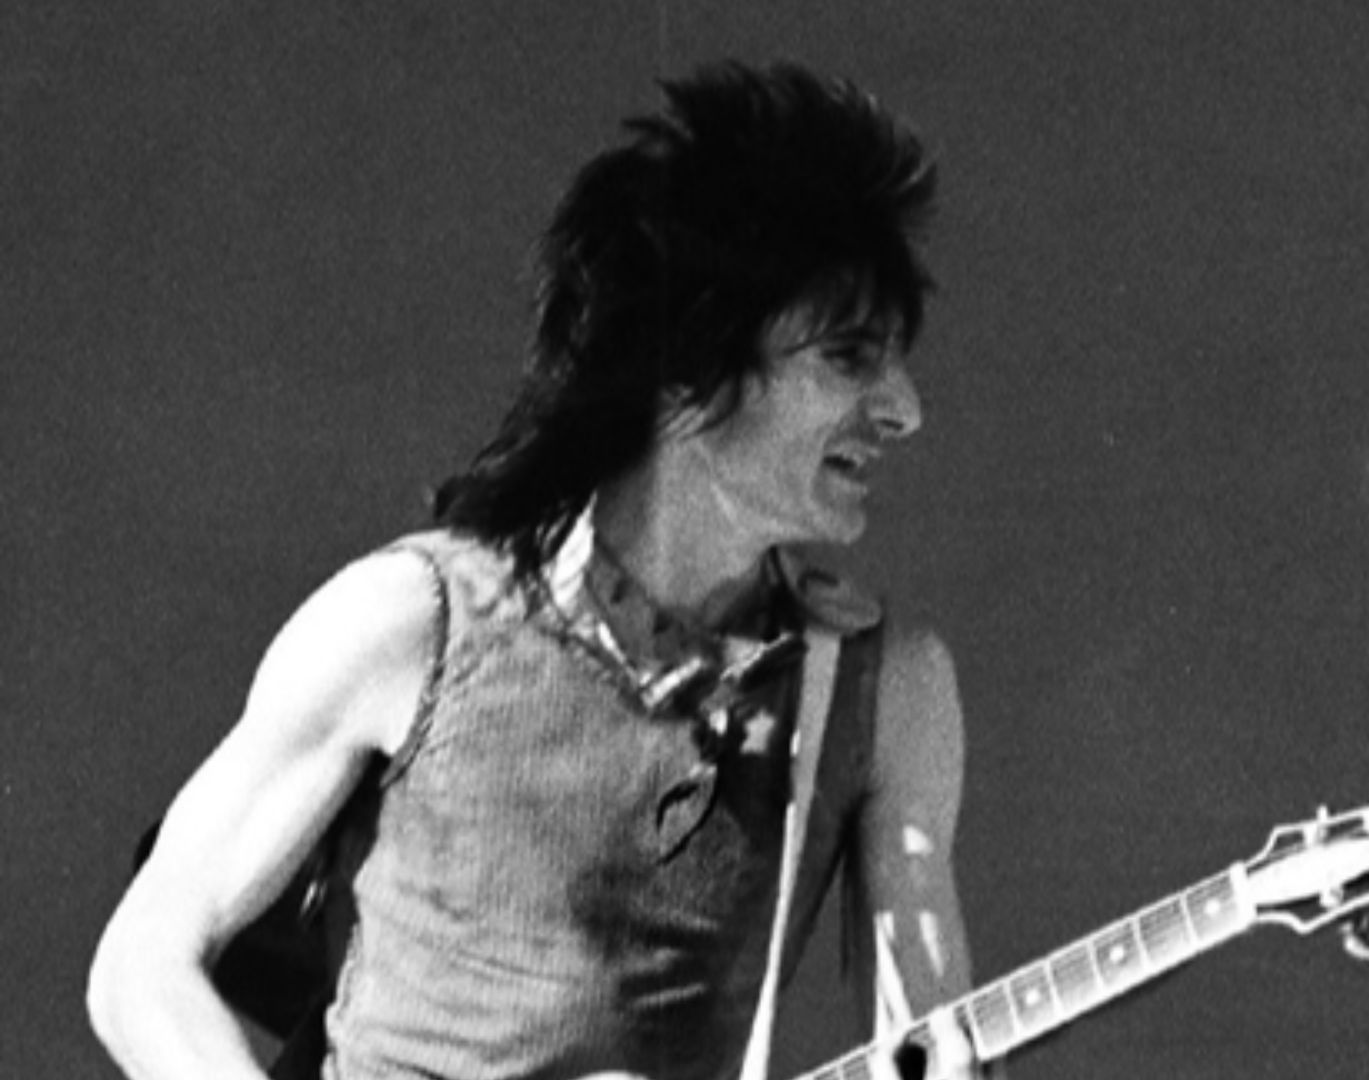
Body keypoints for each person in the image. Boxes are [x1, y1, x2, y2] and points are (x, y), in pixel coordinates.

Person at [88, 60, 995, 1080]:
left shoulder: (884, 694)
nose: (903, 407)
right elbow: (141, 963)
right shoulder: (412, 622)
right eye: (847, 356)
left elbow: (930, 1033)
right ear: (690, 361)